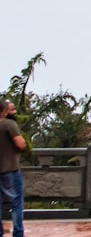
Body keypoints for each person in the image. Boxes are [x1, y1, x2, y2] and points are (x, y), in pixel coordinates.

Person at [0, 100, 26, 237]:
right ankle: (18, 233)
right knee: (16, 203)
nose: (15, 112)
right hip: (10, 169)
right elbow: (20, 144)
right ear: (4, 111)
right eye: (12, 109)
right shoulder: (9, 124)